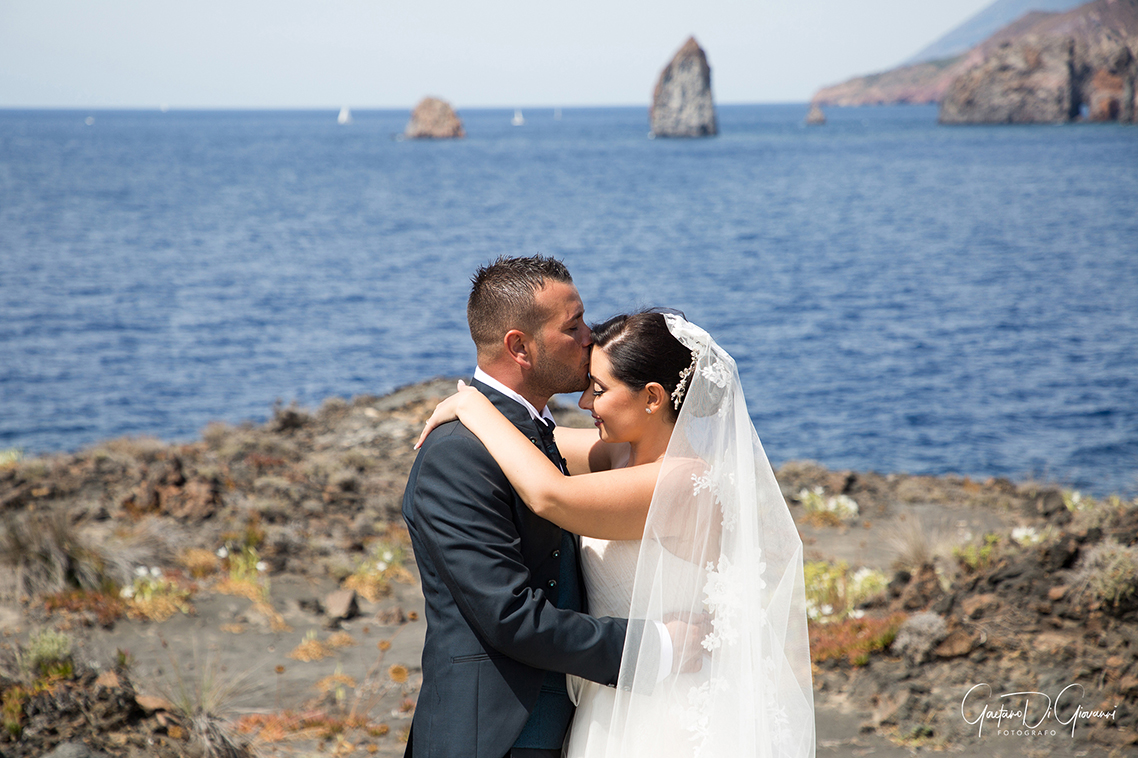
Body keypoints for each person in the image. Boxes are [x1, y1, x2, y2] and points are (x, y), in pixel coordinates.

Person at [417, 308, 816, 757]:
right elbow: (534, 435)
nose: (585, 402)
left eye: (599, 390)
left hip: (666, 705)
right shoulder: (616, 457)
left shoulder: (685, 484)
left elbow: (549, 494)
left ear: (651, 397)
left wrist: (473, 404)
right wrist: (490, 403)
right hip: (608, 696)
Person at [401, 256, 706, 758]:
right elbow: (512, 617)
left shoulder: (530, 437)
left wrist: (474, 405)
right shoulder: (458, 455)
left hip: (584, 724)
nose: (590, 337)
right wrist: (660, 648)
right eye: (573, 326)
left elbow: (557, 482)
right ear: (519, 346)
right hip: (493, 738)